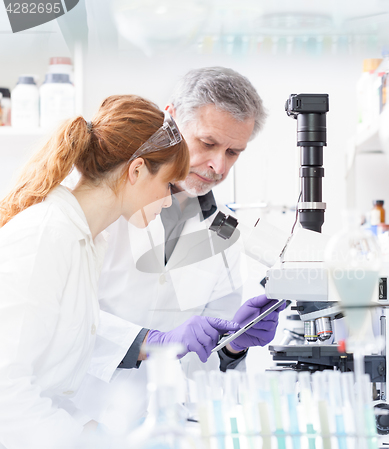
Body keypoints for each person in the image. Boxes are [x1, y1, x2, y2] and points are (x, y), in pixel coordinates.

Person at [0, 94, 241, 449]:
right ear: (136, 171)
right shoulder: (47, 235)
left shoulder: (83, 241)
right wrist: (88, 447)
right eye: (166, 184)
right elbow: (5, 388)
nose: (169, 200)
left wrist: (98, 433)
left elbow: (56, 366)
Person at [71, 67, 285, 424]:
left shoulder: (225, 234)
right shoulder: (103, 199)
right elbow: (59, 319)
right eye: (208, 143)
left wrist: (232, 346)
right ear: (170, 118)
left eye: (234, 152)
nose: (219, 165)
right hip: (73, 417)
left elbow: (204, 366)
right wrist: (151, 340)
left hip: (158, 431)